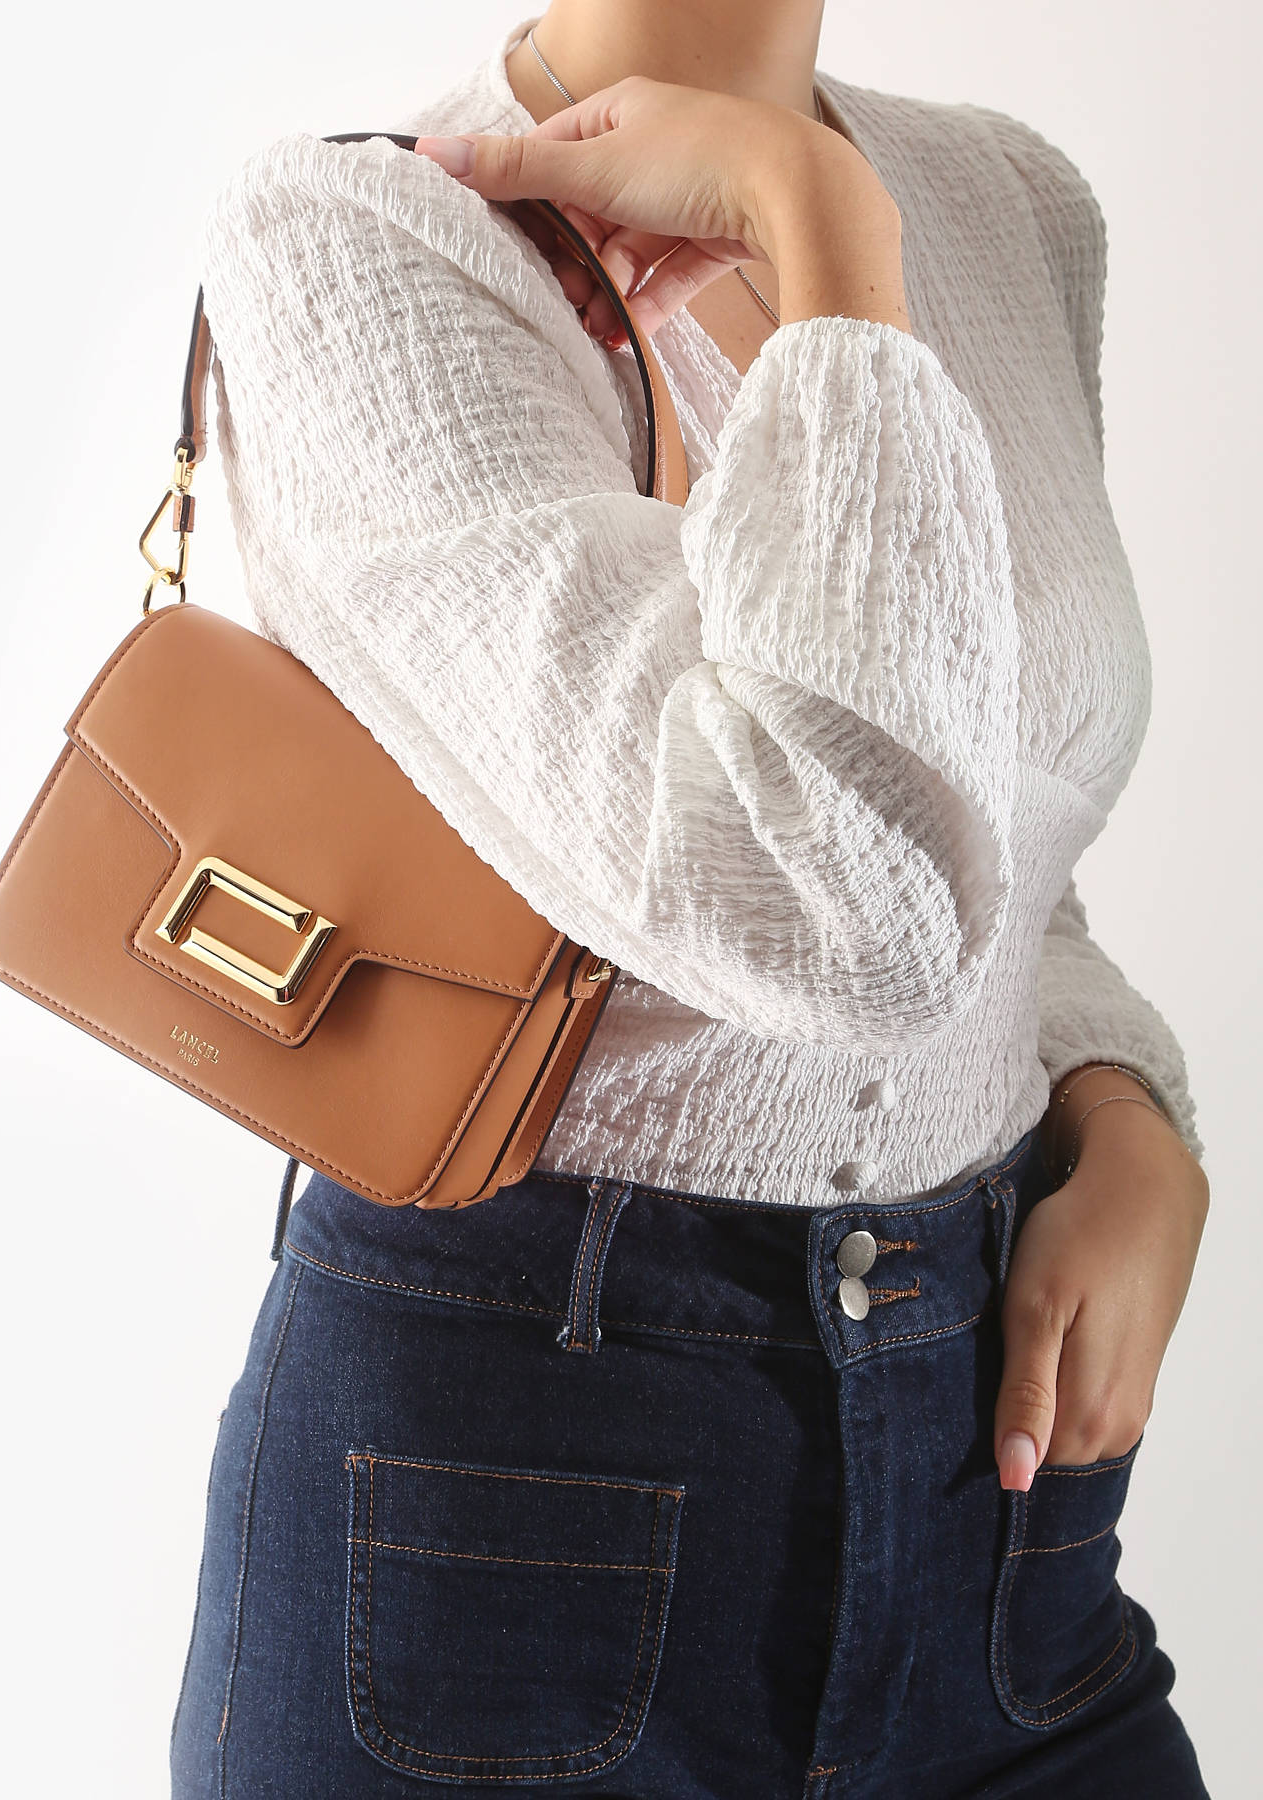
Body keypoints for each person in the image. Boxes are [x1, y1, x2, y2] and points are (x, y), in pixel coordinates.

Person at [169, 6, 1213, 1795]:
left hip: (999, 1504)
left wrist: (1122, 1111)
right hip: (496, 1508)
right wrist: (826, 256)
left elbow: (986, 832)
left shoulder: (1012, 203)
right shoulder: (361, 239)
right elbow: (834, 907)